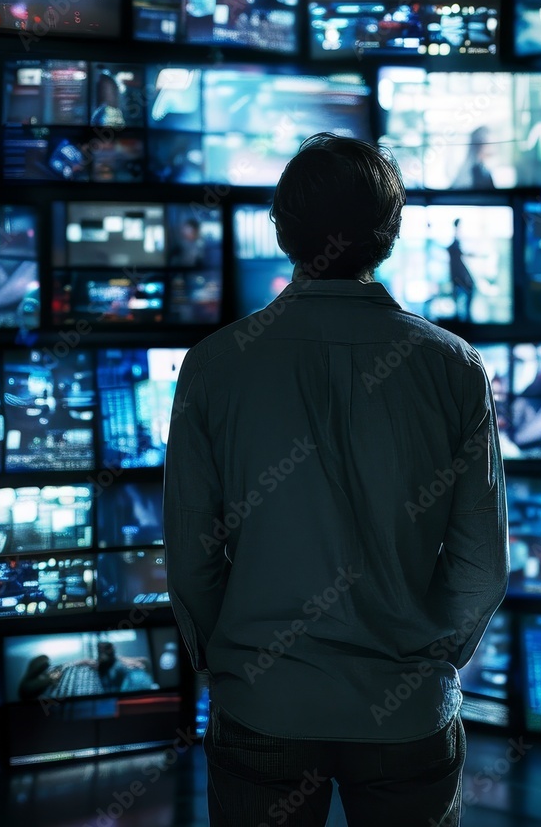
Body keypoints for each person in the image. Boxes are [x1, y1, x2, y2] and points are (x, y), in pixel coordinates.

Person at [164, 133, 508, 827]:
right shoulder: (454, 368)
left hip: (263, 704)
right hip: (406, 711)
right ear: (393, 232)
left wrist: (225, 663)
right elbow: (480, 566)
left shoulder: (214, 366)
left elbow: (191, 558)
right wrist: (430, 659)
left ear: (282, 230)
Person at [447, 217, 477, 320]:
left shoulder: (457, 240)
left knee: (465, 291)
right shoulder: (454, 241)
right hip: (457, 272)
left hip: (457, 272)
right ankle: (462, 317)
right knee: (465, 291)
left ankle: (463, 317)